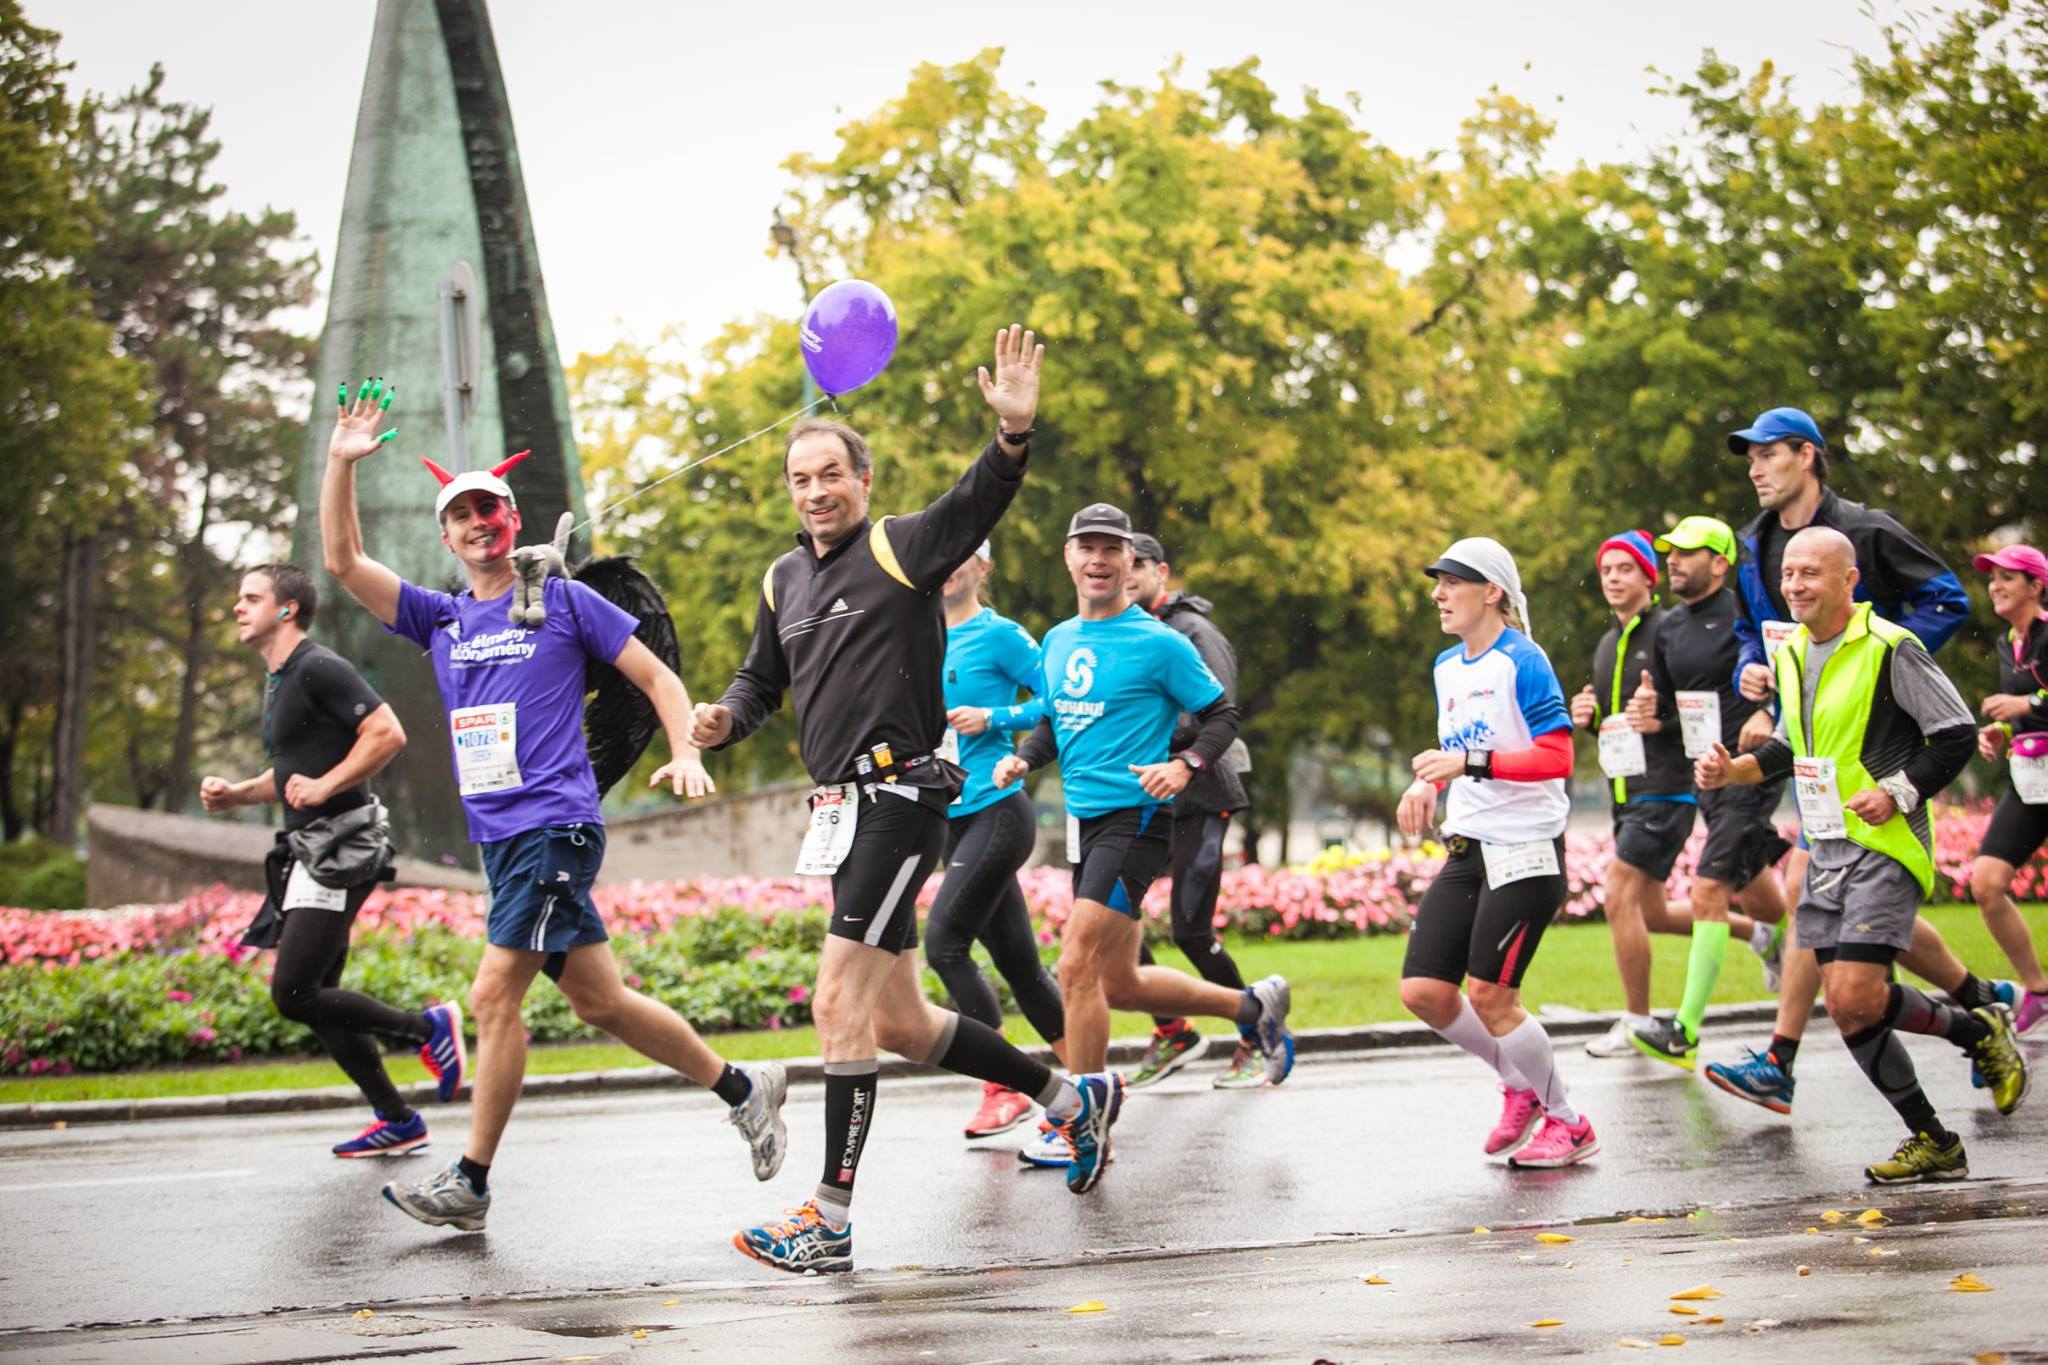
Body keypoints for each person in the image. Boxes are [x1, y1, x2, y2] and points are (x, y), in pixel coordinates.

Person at [691, 327, 1120, 1276]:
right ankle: (1068, 1098)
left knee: (834, 997)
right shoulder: (782, 575)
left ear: (864, 481)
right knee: (900, 1024)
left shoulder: (899, 549)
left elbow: (978, 500)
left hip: (904, 797)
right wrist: (724, 717)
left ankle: (831, 1219)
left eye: (829, 474)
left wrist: (1013, 435)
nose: (813, 491)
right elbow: (762, 680)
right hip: (839, 813)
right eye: (799, 479)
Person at [318, 378, 787, 1235]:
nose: (478, 523)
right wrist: (341, 462)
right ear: (448, 536)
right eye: (461, 516)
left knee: (494, 997)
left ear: (511, 520)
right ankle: (743, 1086)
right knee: (602, 1002)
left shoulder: (563, 600)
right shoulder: (440, 618)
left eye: (489, 508)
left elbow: (656, 675)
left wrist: (686, 748)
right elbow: (344, 562)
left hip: (555, 826)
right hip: (502, 838)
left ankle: (470, 1180)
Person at [1695, 526, 2026, 1183]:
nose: (1795, 585)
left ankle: (1977, 1028)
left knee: (1854, 990)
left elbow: (1955, 732)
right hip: (1825, 844)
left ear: (1850, 581)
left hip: (1885, 841)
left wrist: (1899, 791)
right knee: (1849, 1008)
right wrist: (1732, 771)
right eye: (1789, 574)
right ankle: (1939, 1129)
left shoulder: (1890, 647)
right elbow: (1794, 748)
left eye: (1811, 573)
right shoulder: (1789, 657)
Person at [993, 504, 1292, 1168]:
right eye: (1086, 547)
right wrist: (1026, 757)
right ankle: (1253, 1005)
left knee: (1073, 967)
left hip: (1138, 819)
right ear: (1068, 557)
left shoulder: (1161, 642)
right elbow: (1054, 718)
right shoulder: (1060, 639)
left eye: (1111, 549)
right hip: (1086, 819)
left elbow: (1222, 713)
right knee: (1118, 981)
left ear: (1131, 562)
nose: (1098, 559)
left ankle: (1084, 1115)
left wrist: (1184, 764)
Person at [1705, 406, 1984, 1112]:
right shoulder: (1756, 544)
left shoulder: (1865, 530)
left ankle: (1784, 1056)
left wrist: (1873, 661)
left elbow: (1947, 600)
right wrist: (1755, 672)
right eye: (1750, 458)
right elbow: (1752, 629)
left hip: (1884, 762)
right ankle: (1981, 1002)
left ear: (1808, 455)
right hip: (1812, 761)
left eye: (1767, 454)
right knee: (1835, 907)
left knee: (1828, 906)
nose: (1754, 468)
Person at [200, 562, 464, 1157]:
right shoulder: (281, 678)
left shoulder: (318, 667)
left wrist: (325, 787)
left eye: (250, 598)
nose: (237, 608)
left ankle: (429, 1029)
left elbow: (387, 732)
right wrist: (238, 794)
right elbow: (296, 772)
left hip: (339, 850)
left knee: (294, 992)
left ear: (286, 609)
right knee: (321, 1000)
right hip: (312, 851)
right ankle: (398, 1119)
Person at [1396, 537, 1596, 1168]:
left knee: (1492, 997)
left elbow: (1557, 757)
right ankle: (1518, 1081)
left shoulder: (1523, 660)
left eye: (1451, 582)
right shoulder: (1447, 667)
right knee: (1425, 991)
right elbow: (1457, 746)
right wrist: (1427, 781)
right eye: (1437, 583)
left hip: (1528, 851)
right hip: (1467, 848)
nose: (1437, 594)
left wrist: (1468, 764)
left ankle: (1568, 1121)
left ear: (1492, 592)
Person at [1625, 517, 1791, 1069]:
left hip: (1750, 768)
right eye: (1669, 553)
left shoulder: (1748, 618)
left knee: (1708, 892)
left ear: (1720, 564)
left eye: (1687, 553)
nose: (1673, 561)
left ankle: (1685, 1032)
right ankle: (1799, 945)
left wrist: (1768, 712)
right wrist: (1654, 716)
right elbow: (1674, 710)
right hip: (1707, 775)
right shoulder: (1669, 628)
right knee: (1758, 888)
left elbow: (1790, 678)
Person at [930, 540, 1067, 1140]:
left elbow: (1059, 703)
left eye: (961, 556)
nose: (948, 565)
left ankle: (1005, 1087)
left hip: (997, 809)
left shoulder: (1001, 635)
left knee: (945, 945)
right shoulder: (915, 632)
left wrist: (995, 719)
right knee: (1023, 968)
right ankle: (1088, 1083)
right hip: (946, 814)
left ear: (983, 567)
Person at [1122, 531, 1263, 1091]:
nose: (1124, 572)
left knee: (1191, 930)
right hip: (1141, 797)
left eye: (1137, 564)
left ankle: (1258, 1032)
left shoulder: (1194, 632)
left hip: (1201, 796)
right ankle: (1174, 1031)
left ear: (1163, 571)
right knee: (1113, 921)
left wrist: (1151, 734)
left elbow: (1217, 715)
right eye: (1115, 562)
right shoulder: (1125, 633)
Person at [1571, 531, 1701, 1058]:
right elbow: (1619, 726)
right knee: (1654, 914)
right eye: (1606, 571)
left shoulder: (1670, 631)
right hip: (1626, 793)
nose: (1614, 579)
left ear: (1650, 577)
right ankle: (1764, 938)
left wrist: (1664, 717)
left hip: (1667, 790)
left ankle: (1636, 1022)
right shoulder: (1607, 645)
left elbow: (1697, 708)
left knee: (1617, 894)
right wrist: (1590, 720)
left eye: (1626, 569)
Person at [1967, 544, 2048, 1033]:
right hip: (2031, 779)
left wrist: (2026, 707)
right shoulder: (2007, 643)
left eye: (2008, 578)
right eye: (1993, 577)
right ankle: (2037, 989)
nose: (1995, 585)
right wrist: (2004, 733)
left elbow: (2036, 701)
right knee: (1986, 883)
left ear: (2036, 586)